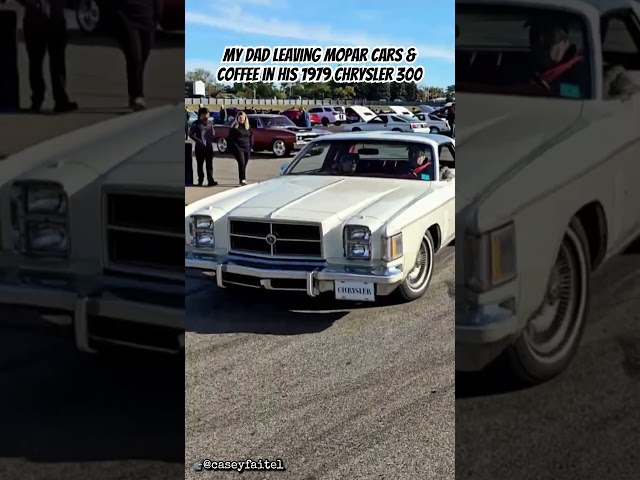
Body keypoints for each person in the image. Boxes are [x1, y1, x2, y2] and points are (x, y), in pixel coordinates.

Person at [19, 0, 77, 113]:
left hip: (37, 18)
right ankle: (58, 99)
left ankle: (38, 100)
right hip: (51, 18)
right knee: (54, 61)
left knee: (36, 62)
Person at [109, 0, 162, 111]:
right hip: (126, 19)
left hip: (147, 19)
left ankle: (137, 95)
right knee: (135, 58)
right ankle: (136, 96)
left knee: (142, 59)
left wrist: (157, 16)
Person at [528, 20, 586, 94]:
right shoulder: (530, 65)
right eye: (534, 35)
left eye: (548, 34)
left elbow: (582, 92)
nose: (541, 41)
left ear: (565, 40)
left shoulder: (580, 68)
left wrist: (556, 90)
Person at [189, 107, 217, 187]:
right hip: (199, 148)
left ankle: (210, 180)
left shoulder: (209, 123)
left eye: (208, 114)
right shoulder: (196, 123)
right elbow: (190, 134)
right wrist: (199, 141)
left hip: (208, 147)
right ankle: (200, 180)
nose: (207, 115)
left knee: (209, 165)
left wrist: (211, 140)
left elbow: (213, 133)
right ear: (201, 114)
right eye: (205, 114)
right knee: (200, 165)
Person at [228, 111, 253, 186]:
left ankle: (242, 177)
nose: (241, 119)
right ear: (237, 119)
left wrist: (251, 146)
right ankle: (242, 179)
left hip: (247, 147)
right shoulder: (234, 128)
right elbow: (231, 139)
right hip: (238, 148)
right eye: (240, 118)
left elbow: (251, 137)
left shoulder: (248, 127)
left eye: (242, 118)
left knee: (244, 163)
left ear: (245, 118)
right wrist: (236, 148)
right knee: (241, 163)